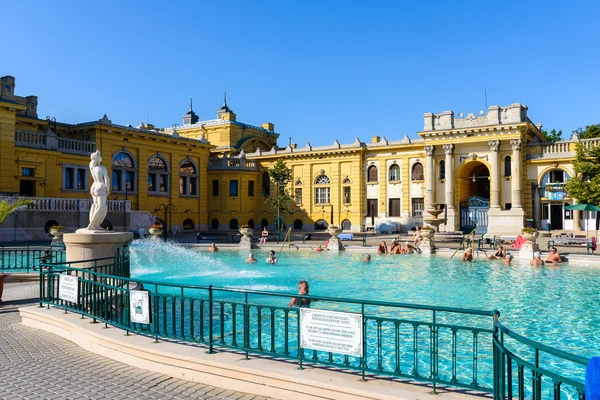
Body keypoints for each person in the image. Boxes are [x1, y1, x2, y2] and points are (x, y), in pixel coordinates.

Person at [86, 150, 110, 231]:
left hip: (94, 186)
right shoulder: (102, 168)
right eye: (100, 156)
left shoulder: (92, 168)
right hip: (101, 186)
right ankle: (92, 224)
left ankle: (95, 225)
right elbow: (106, 179)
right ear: (97, 158)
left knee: (95, 205)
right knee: (101, 207)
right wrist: (107, 189)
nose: (101, 157)